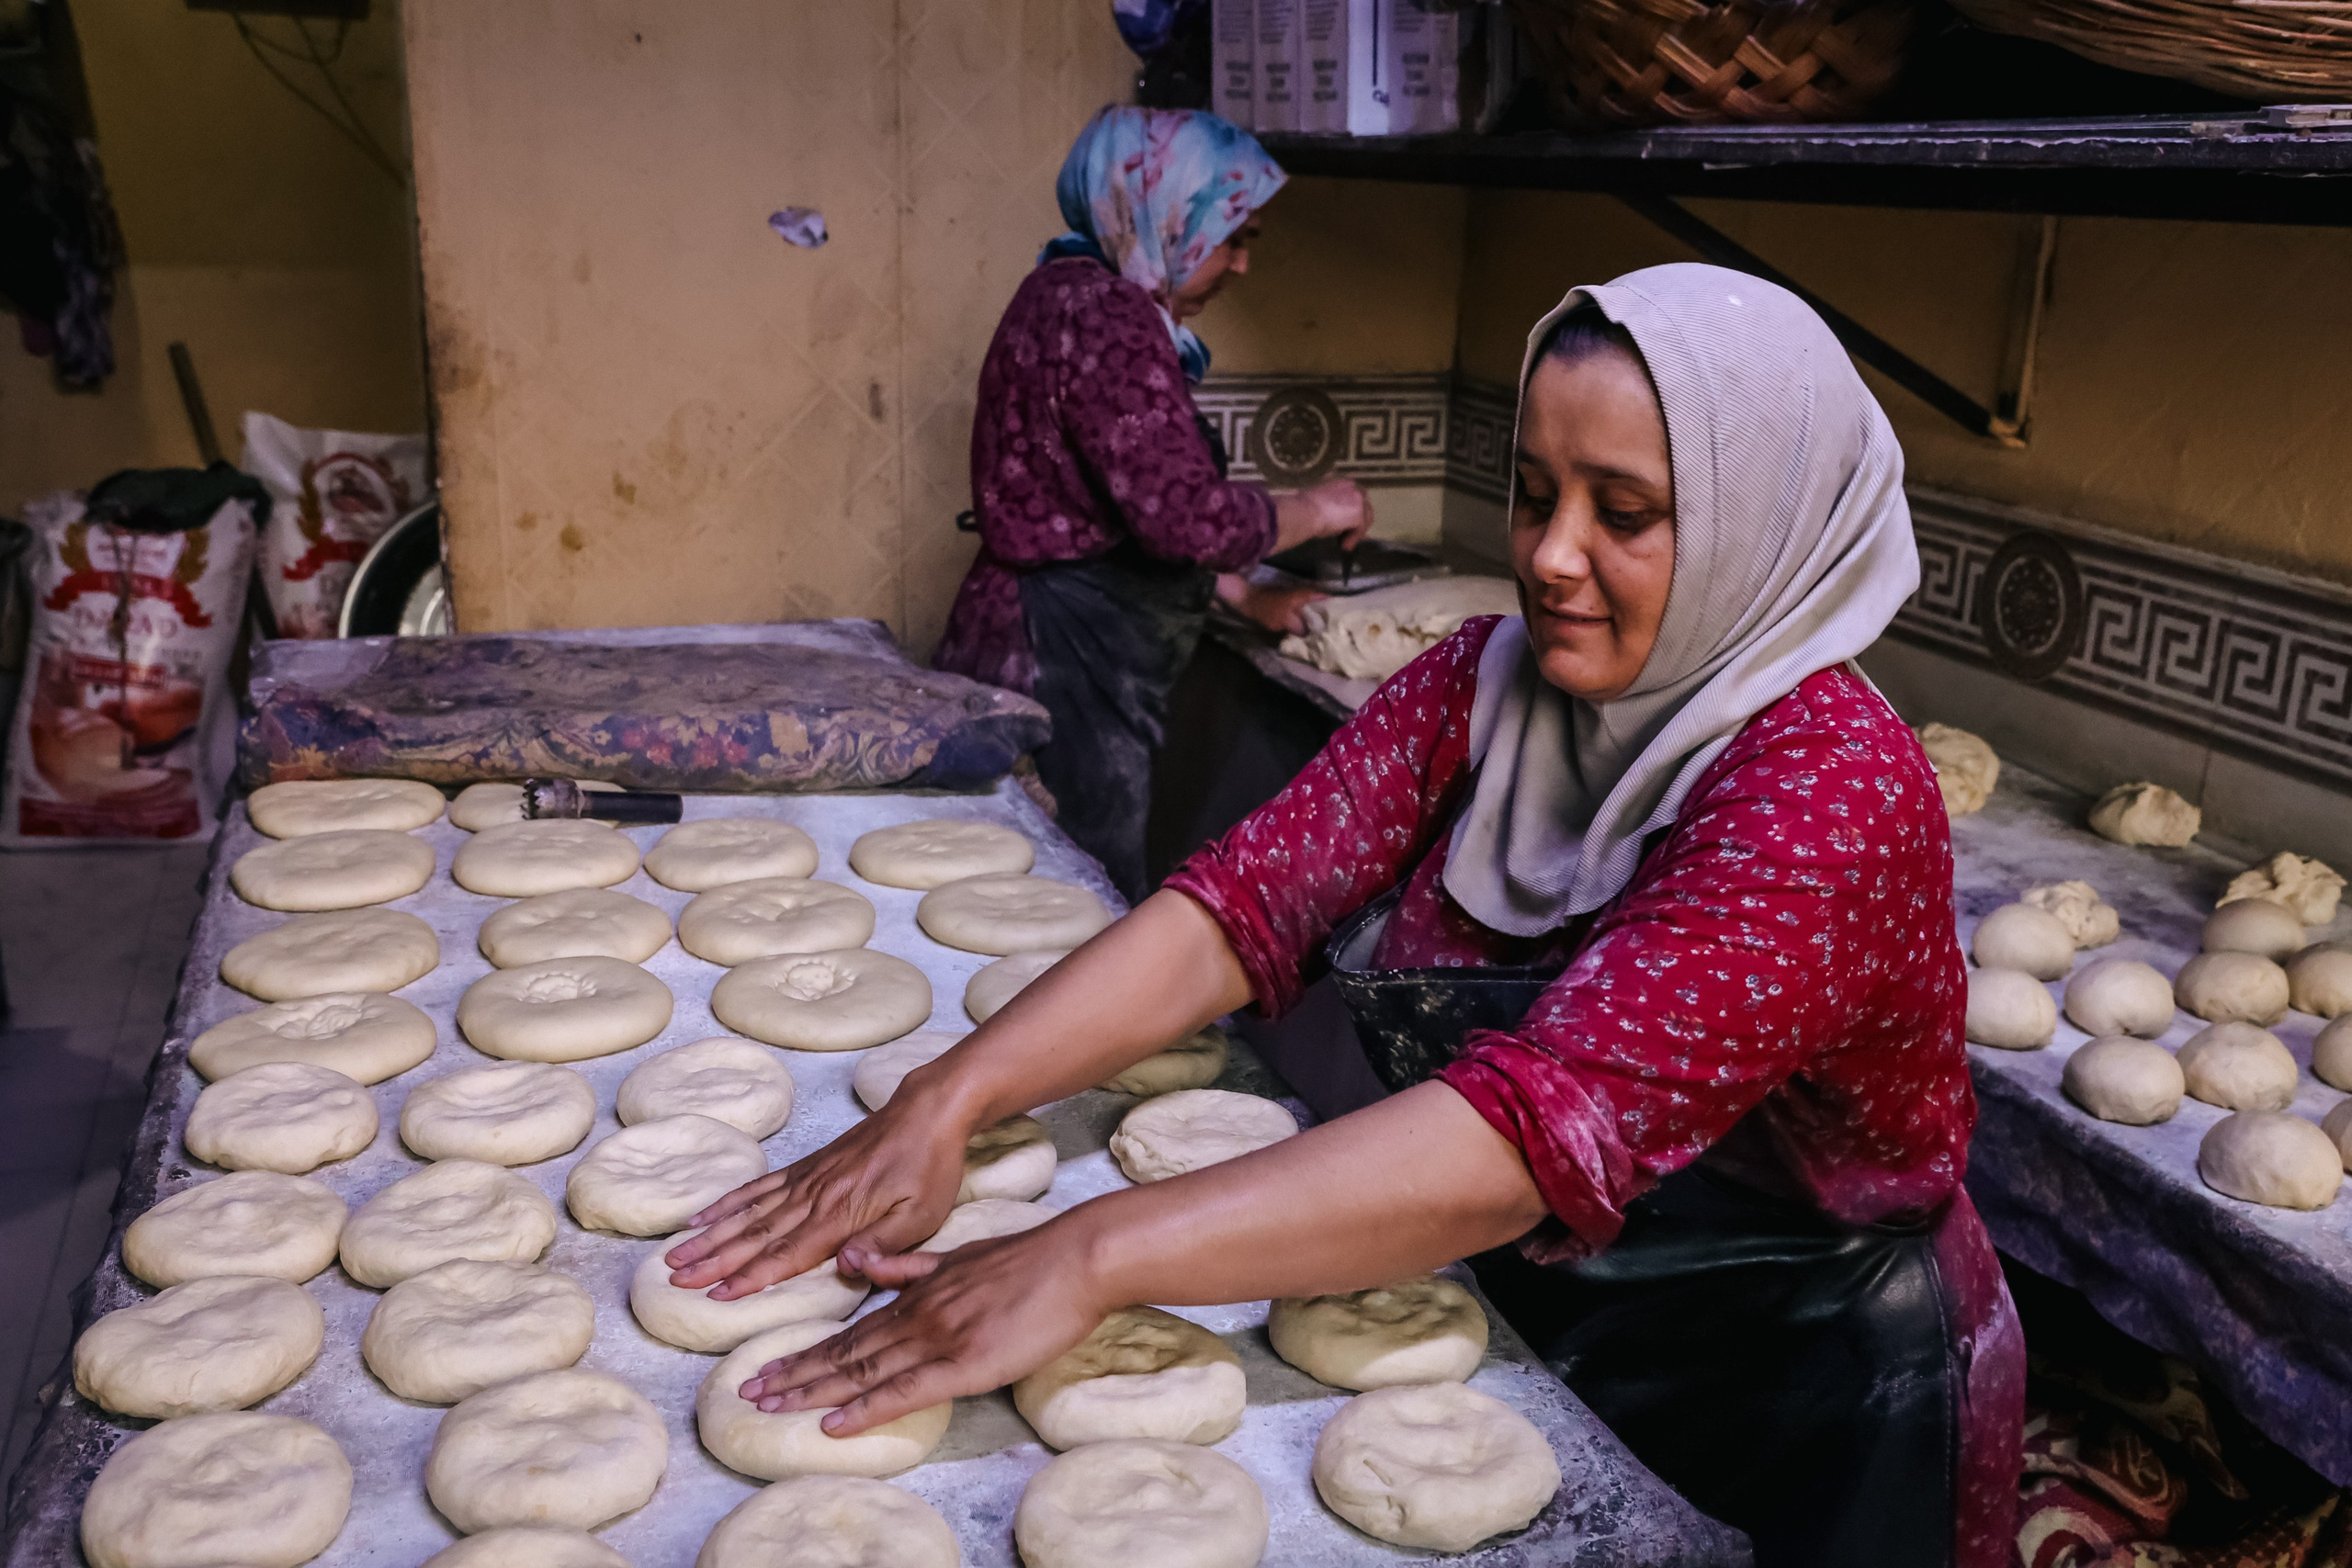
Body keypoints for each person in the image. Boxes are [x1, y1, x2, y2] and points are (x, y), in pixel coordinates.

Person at [673, 264, 2025, 1566]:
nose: (1551, 556)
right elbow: (1246, 900)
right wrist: (946, 1098)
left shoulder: (1827, 794)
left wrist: (1086, 1254)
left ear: (1765, 525)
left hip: (1800, 1369)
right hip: (1534, 1291)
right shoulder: (1485, 687)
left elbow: (1524, 1136)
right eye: (1535, 491)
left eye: (1625, 511)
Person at [932, 105, 1371, 901]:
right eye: (1232, 236)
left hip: (1027, 639)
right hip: (1062, 667)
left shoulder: (1059, 291)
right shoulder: (1112, 316)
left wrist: (1245, 595)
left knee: (1013, 895)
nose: (1239, 265)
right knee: (1067, 911)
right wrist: (1319, 506)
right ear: (1167, 213)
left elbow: (1101, 503)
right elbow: (1183, 519)